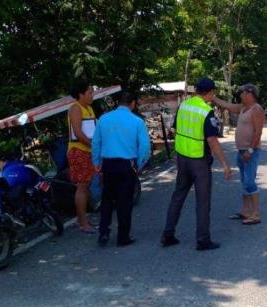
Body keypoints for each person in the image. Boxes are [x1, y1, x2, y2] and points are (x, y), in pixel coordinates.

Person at [161, 78, 231, 251]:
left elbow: (176, 130)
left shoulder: (184, 105)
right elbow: (212, 140)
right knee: (203, 200)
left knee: (178, 195)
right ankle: (202, 240)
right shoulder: (206, 111)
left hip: (182, 158)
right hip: (198, 160)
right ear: (210, 92)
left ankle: (168, 234)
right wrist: (225, 164)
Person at [92, 92, 150, 247]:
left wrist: (97, 163)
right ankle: (123, 237)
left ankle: (103, 233)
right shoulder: (137, 121)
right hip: (127, 165)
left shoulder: (104, 119)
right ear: (132, 103)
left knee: (107, 200)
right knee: (125, 201)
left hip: (108, 165)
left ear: (118, 103)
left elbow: (96, 143)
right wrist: (139, 164)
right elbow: (145, 146)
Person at [213, 83, 265, 225]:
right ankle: (245, 211)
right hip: (241, 150)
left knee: (249, 182)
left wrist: (250, 150)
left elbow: (258, 132)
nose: (240, 95)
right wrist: (213, 97)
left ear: (249, 93)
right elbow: (228, 105)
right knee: (244, 182)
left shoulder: (257, 109)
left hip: (250, 151)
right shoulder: (243, 108)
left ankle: (255, 214)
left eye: (241, 92)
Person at [67, 81, 97, 234]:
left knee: (86, 185)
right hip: (79, 151)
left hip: (88, 150)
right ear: (81, 94)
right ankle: (83, 222)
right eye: (90, 92)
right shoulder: (75, 109)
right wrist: (93, 146)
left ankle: (82, 219)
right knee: (82, 186)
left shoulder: (89, 108)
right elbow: (78, 133)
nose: (92, 95)